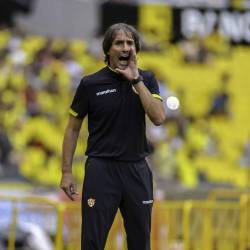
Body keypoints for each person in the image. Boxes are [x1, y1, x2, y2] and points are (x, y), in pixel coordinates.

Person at [60, 23, 166, 250]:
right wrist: (67, 172)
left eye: (130, 43)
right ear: (108, 50)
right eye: (119, 43)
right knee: (92, 242)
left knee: (140, 242)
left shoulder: (147, 79)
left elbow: (158, 117)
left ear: (136, 49)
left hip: (136, 170)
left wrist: (136, 80)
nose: (125, 47)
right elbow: (72, 129)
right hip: (101, 170)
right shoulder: (90, 84)